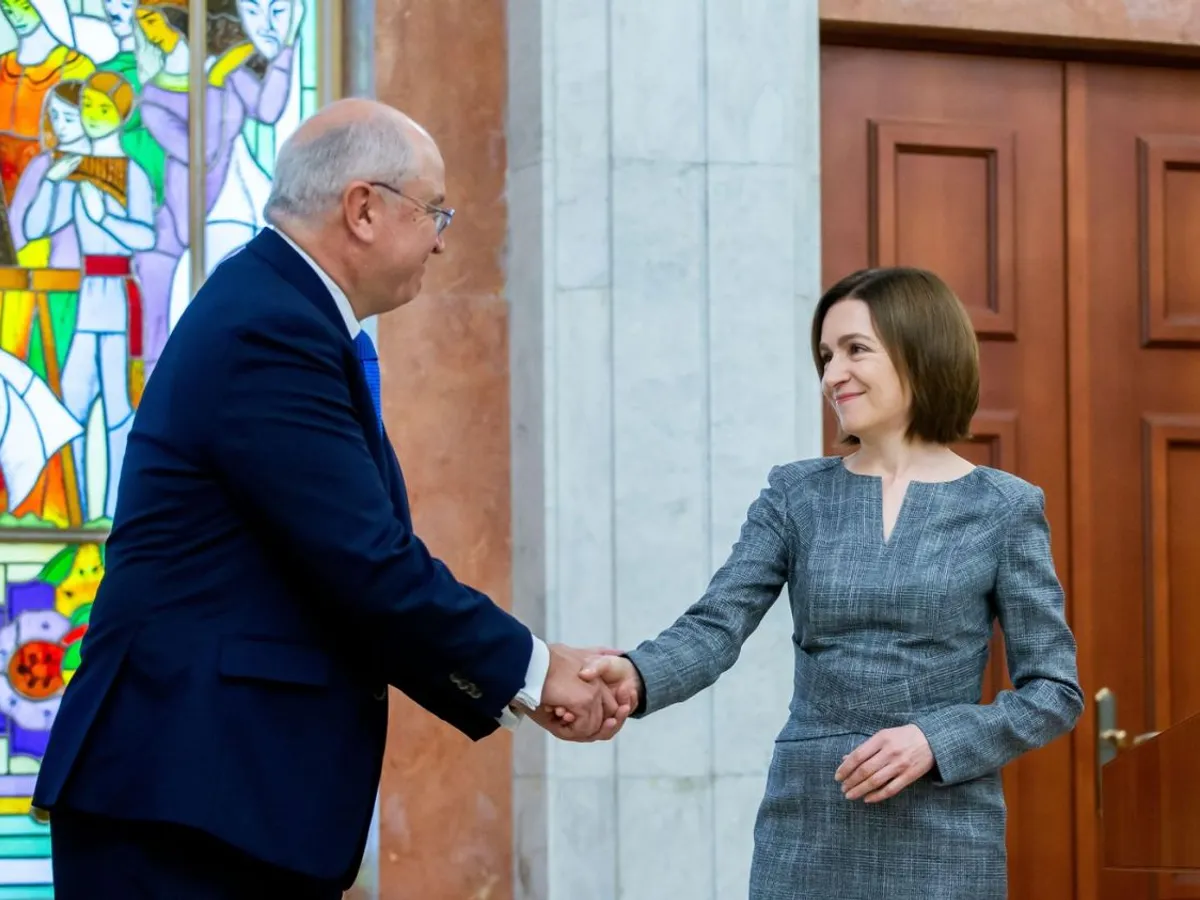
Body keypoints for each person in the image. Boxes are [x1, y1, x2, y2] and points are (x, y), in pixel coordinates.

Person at [33, 98, 628, 899]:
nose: (444, 238)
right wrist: (535, 668)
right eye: (435, 210)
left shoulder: (280, 312)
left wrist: (519, 677)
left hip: (214, 795)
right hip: (185, 802)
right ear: (364, 209)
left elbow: (345, 577)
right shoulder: (269, 330)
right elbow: (366, 563)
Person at [576, 267, 1084, 900]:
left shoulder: (1005, 507)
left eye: (855, 349)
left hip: (947, 831)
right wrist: (640, 673)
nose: (832, 373)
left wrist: (937, 739)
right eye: (825, 355)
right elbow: (716, 625)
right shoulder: (796, 494)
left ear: (920, 348)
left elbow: (1053, 691)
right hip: (810, 820)